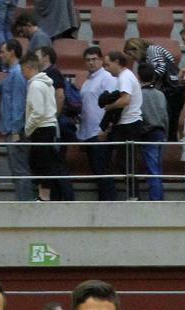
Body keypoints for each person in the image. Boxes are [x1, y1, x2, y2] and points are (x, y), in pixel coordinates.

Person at [0, 40, 34, 200]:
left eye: (3, 52)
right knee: (17, 170)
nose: (0, 55)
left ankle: (25, 206)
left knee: (20, 170)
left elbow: (18, 104)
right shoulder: (12, 74)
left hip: (16, 130)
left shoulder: (18, 74)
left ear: (12, 52)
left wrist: (15, 130)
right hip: (11, 128)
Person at [76, 46, 117, 202]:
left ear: (101, 60)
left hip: (100, 131)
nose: (91, 63)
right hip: (88, 132)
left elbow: (112, 103)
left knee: (103, 170)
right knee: (97, 171)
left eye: (94, 59)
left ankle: (110, 204)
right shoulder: (87, 82)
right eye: (88, 60)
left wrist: (107, 127)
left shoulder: (107, 78)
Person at [100, 50, 143, 200]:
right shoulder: (127, 76)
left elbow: (125, 100)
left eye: (108, 65)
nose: (106, 68)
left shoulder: (124, 77)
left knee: (126, 161)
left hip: (129, 124)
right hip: (127, 123)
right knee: (123, 161)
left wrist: (110, 107)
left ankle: (133, 196)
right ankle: (132, 194)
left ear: (117, 62)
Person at [20, 51, 60, 201]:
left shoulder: (35, 85)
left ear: (29, 68)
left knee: (41, 162)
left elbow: (38, 112)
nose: (23, 74)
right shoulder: (46, 84)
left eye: (23, 70)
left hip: (41, 127)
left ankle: (44, 196)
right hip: (48, 126)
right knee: (42, 161)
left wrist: (27, 129)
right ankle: (43, 195)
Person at [136, 67, 169, 201]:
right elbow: (165, 116)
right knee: (157, 167)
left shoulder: (139, 95)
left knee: (152, 168)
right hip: (160, 132)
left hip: (147, 133)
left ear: (139, 77)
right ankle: (159, 197)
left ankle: (156, 199)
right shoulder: (160, 94)